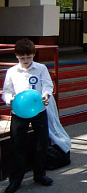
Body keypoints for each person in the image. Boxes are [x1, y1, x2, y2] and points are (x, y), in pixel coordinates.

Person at [2, 38, 54, 193]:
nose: (25, 61)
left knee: (41, 143)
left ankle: (40, 174)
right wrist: (9, 99)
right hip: (19, 112)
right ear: (16, 56)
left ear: (33, 55)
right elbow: (6, 91)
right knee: (17, 145)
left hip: (39, 110)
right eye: (22, 57)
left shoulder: (41, 68)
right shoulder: (12, 72)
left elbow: (47, 84)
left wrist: (46, 94)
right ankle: (16, 179)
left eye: (29, 57)